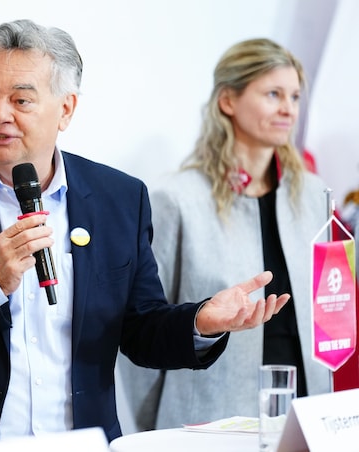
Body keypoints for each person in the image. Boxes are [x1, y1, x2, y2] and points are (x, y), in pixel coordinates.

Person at [0, 20, 290, 451]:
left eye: (21, 100)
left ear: (66, 110)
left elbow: (140, 328)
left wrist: (200, 321)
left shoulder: (119, 199)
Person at [117, 38, 333, 432]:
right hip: (207, 425)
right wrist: (153, 431)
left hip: (308, 418)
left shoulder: (317, 195)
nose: (289, 108)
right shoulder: (176, 199)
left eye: (295, 96)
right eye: (273, 94)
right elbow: (143, 330)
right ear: (227, 101)